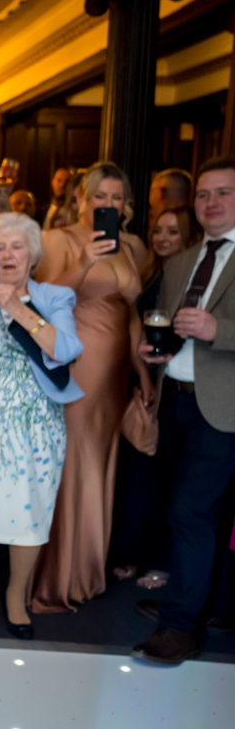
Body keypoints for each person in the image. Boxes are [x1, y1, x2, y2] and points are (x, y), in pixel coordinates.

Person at [0, 213, 84, 640]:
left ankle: (15, 595)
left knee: (34, 506)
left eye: (17, 247)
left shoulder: (56, 296)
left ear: (33, 255)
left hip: (39, 420)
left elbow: (64, 349)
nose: (8, 255)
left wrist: (16, 307)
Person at [132, 157, 235, 665]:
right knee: (193, 512)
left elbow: (214, 329)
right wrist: (158, 352)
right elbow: (170, 328)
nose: (212, 202)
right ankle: (205, 606)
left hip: (225, 409)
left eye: (224, 193)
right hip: (176, 399)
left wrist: (221, 331)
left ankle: (179, 626)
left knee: (190, 512)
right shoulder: (181, 261)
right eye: (204, 194)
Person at [30, 161, 146, 613]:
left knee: (102, 464)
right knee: (76, 463)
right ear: (82, 198)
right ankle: (56, 580)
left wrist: (146, 375)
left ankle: (89, 570)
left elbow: (132, 315)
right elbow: (41, 298)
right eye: (101, 197)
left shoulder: (131, 246)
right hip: (77, 367)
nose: (109, 205)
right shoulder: (60, 239)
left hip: (116, 376)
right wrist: (84, 263)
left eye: (117, 199)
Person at [112, 205, 201, 591]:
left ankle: (161, 561)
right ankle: (134, 552)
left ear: (190, 238)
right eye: (158, 231)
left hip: (170, 384)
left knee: (170, 481)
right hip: (140, 378)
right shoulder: (149, 269)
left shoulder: (191, 279)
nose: (163, 238)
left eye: (173, 232)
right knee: (140, 478)